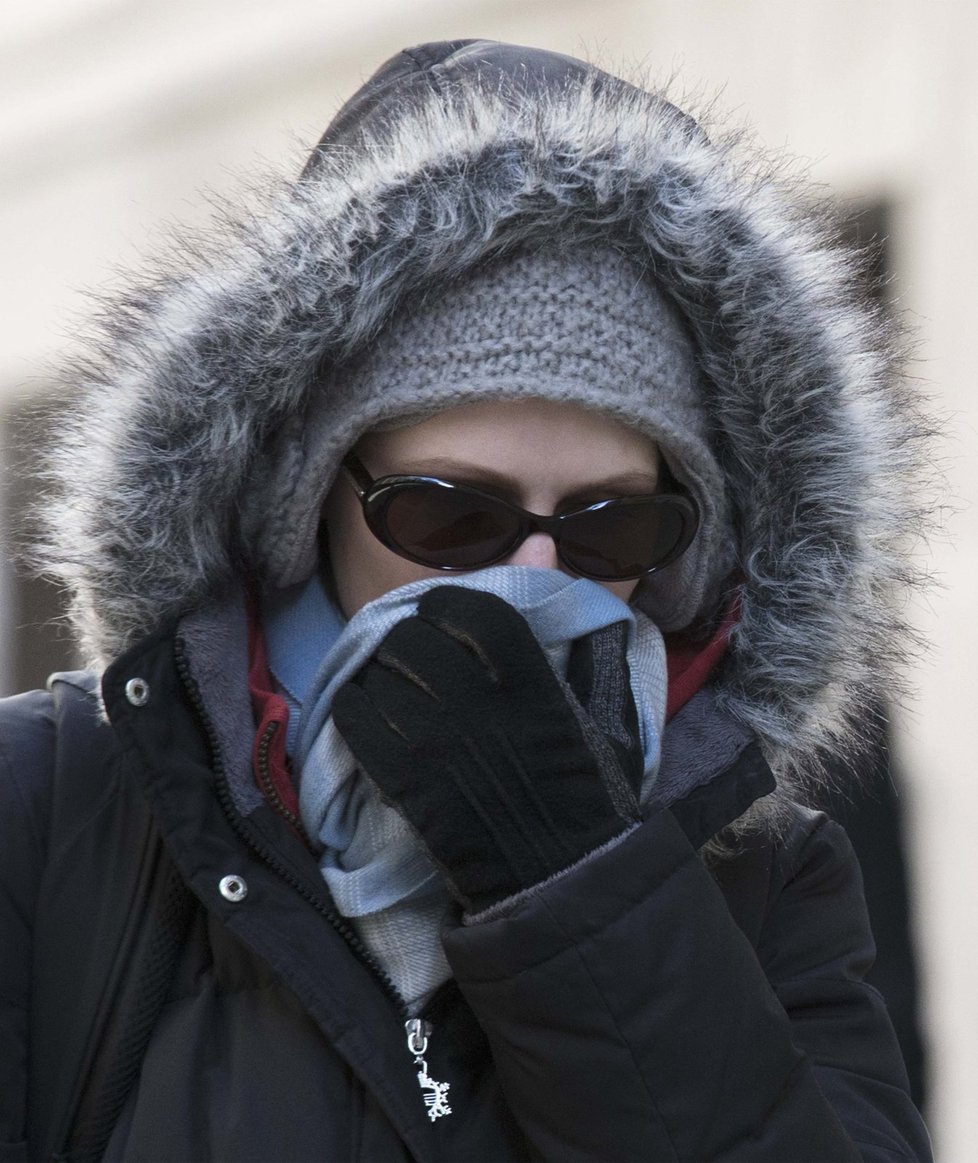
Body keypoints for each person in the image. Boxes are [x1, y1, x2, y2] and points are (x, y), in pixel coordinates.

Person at [0, 38, 933, 1163]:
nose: (531, 580)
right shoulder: (51, 807)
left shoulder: (768, 879)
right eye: (450, 517)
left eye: (609, 527)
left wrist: (578, 890)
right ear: (306, 500)